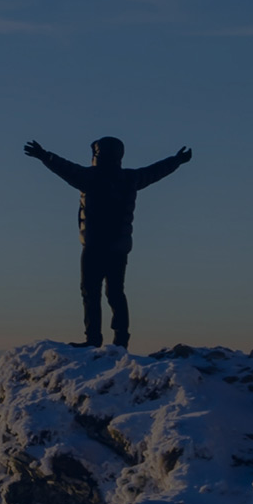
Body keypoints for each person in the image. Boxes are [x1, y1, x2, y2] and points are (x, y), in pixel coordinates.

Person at [22, 137, 192, 348]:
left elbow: (65, 168)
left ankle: (93, 339)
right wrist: (176, 160)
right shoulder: (131, 178)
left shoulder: (89, 177)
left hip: (94, 245)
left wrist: (45, 156)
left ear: (97, 154)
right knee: (115, 292)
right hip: (119, 247)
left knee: (90, 292)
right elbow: (155, 171)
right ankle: (121, 340)